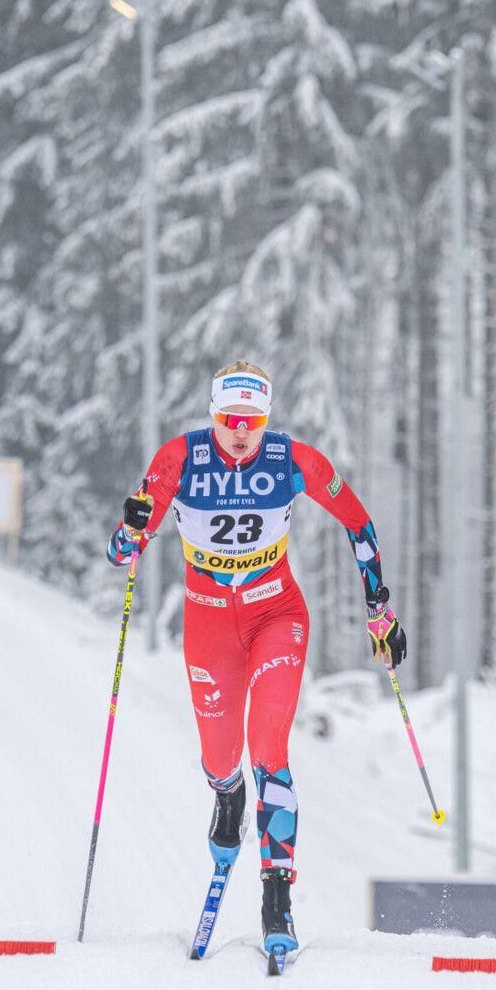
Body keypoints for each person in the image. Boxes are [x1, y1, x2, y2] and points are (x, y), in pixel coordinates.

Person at [106, 359, 406, 959]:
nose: (241, 430)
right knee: (222, 757)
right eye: (229, 418)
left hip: (276, 616)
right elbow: (123, 554)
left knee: (269, 745)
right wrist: (131, 525)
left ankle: (277, 899)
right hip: (209, 621)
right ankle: (227, 793)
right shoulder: (178, 458)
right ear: (214, 415)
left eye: (253, 419)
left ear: (266, 418)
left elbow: (358, 521)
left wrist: (380, 607)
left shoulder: (294, 460)